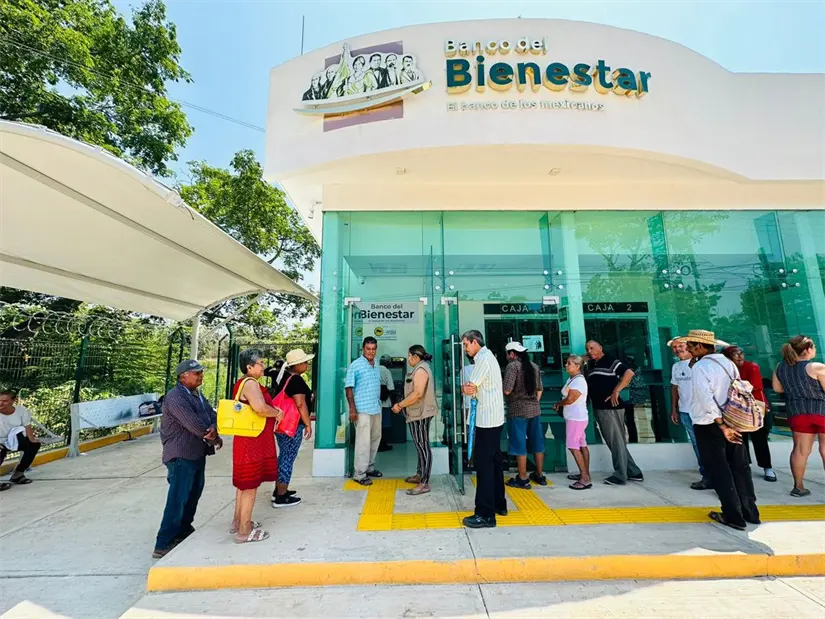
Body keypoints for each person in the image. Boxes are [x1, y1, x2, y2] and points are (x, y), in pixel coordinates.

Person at [686, 330, 759, 531]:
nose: (689, 351)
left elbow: (705, 398)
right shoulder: (728, 364)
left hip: (711, 424)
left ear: (700, 347)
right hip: (734, 419)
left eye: (691, 347)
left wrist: (721, 425)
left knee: (719, 468)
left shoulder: (701, 367)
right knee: (739, 466)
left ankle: (733, 515)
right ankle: (750, 511)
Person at [152, 360, 222, 558]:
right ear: (183, 376)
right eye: (195, 373)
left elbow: (212, 414)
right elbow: (195, 425)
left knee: (193, 494)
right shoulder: (175, 398)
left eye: (201, 372)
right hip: (181, 454)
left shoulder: (196, 394)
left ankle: (183, 529)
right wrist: (213, 435)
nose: (200, 376)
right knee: (178, 498)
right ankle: (163, 542)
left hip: (196, 452)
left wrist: (215, 426)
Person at [231, 348, 282, 544]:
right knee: (250, 485)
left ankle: (239, 521)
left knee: (244, 484)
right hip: (252, 441)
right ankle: (244, 531)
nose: (263, 366)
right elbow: (260, 409)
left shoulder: (242, 383)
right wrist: (277, 413)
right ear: (249, 367)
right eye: (260, 363)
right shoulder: (251, 384)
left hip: (247, 439)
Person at [461, 330, 507, 528]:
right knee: (495, 463)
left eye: (465, 344)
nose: (465, 348)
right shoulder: (490, 357)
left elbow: (471, 386)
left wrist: (467, 388)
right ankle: (499, 503)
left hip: (486, 420)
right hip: (494, 418)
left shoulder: (482, 359)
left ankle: (485, 514)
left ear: (474, 342)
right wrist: (471, 388)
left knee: (484, 466)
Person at [583, 340, 644, 485]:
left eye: (592, 348)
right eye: (587, 349)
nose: (590, 351)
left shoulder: (610, 360)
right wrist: (584, 358)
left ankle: (620, 475)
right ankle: (634, 471)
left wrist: (617, 390)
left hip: (610, 408)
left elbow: (629, 373)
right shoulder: (593, 364)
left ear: (601, 347)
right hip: (601, 407)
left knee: (615, 442)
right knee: (616, 442)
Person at [772, 335, 825, 498]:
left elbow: (777, 389)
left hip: (797, 413)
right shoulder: (817, 367)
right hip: (821, 411)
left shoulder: (780, 367)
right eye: (813, 347)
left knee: (800, 451)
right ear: (808, 349)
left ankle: (799, 487)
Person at [268, 349, 315, 508]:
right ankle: (282, 496)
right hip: (292, 425)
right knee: (288, 458)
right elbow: (300, 404)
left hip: (282, 425)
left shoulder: (285, 377)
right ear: (298, 365)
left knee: (283, 457)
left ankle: (279, 490)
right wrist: (308, 423)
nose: (307, 364)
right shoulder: (296, 380)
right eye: (305, 362)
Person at [723, 346, 775, 482]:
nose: (740, 356)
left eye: (741, 353)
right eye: (735, 354)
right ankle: (745, 466)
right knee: (741, 440)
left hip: (754, 408)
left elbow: (753, 387)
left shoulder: (751, 367)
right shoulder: (726, 369)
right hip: (736, 408)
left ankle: (767, 468)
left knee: (760, 439)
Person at [392, 345, 437, 496]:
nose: (409, 359)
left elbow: (417, 394)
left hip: (421, 414)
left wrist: (399, 405)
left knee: (423, 446)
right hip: (416, 413)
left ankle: (424, 482)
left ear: (416, 357)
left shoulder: (421, 370)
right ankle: (419, 474)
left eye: (409, 356)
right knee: (419, 445)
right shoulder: (419, 368)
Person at [502, 341, 545, 489]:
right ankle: (539, 475)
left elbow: (507, 390)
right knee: (537, 443)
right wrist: (533, 402)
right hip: (534, 409)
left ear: (512, 354)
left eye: (507, 354)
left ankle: (522, 478)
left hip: (518, 409)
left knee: (519, 444)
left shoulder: (512, 366)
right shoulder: (534, 366)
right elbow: (540, 389)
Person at [669, 338, 709, 490]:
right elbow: (675, 388)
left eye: (680, 346)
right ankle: (706, 475)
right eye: (674, 347)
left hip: (702, 412)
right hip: (685, 411)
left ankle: (714, 475)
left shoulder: (700, 364)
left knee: (706, 444)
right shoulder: (676, 367)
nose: (677, 349)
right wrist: (674, 408)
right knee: (696, 444)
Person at [346, 337, 383, 486]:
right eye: (368, 349)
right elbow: (349, 388)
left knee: (375, 439)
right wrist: (352, 410)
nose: (371, 352)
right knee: (363, 442)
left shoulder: (377, 364)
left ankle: (369, 467)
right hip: (362, 410)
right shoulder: (355, 365)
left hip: (375, 407)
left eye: (373, 349)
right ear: (363, 349)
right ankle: (359, 474)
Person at [554, 356, 592, 490]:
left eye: (569, 363)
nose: (566, 365)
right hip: (576, 417)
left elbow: (570, 399)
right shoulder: (572, 379)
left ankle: (584, 478)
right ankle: (585, 473)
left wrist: (559, 404)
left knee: (573, 446)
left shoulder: (579, 381)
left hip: (575, 418)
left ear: (578, 366)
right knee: (581, 445)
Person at [0, 389, 41, 491]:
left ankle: (18, 474)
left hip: (13, 440)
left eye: (5, 401)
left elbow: (27, 426)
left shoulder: (21, 410)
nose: (1, 403)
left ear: (13, 401)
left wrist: (32, 439)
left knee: (33, 445)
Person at [378, 354, 395, 453]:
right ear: (388, 363)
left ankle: (377, 445)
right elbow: (391, 388)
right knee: (385, 425)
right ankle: (383, 445)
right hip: (385, 403)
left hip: (375, 404)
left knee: (376, 425)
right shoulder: (386, 371)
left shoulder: (374, 369)